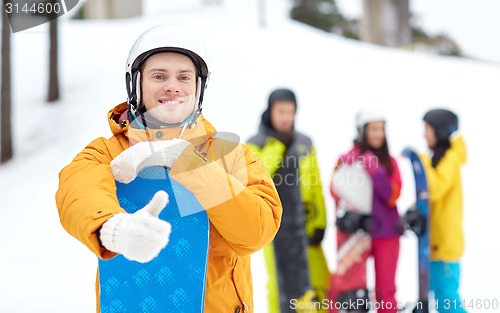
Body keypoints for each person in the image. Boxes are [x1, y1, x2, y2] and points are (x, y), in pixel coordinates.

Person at [55, 25, 282, 313]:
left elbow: (256, 231)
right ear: (136, 85)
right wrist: (112, 228)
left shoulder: (231, 154)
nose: (172, 86)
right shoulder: (107, 152)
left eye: (184, 77)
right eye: (158, 76)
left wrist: (189, 163)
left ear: (198, 88)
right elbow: (78, 190)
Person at [247, 88, 329, 313]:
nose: (286, 117)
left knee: (310, 281)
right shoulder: (257, 143)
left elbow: (315, 184)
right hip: (273, 227)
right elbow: (257, 176)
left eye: (290, 112)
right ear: (270, 111)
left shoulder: (304, 142)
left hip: (303, 224)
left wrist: (320, 221)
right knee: (279, 282)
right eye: (281, 111)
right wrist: (278, 146)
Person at [328, 109, 402, 313]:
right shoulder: (347, 160)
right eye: (373, 129)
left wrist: (375, 171)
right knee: (345, 289)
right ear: (362, 131)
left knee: (385, 292)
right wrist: (348, 167)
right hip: (357, 234)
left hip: (386, 234)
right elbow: (334, 189)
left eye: (381, 129)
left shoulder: (391, 163)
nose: (378, 134)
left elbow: (392, 196)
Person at [421, 109, 467, 313]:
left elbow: (435, 188)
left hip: (446, 243)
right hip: (436, 241)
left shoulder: (450, 158)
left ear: (440, 131)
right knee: (440, 299)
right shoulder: (440, 157)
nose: (424, 134)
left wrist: (420, 162)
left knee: (447, 300)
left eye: (428, 129)